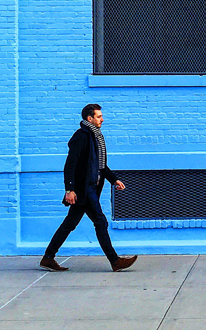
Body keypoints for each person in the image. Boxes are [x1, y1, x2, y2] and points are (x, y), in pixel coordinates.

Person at [40, 104, 137, 273]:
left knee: (69, 224)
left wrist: (114, 179)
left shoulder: (96, 137)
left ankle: (48, 257)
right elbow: (70, 165)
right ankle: (115, 261)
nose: (102, 119)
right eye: (99, 116)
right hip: (84, 189)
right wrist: (69, 189)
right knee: (100, 221)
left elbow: (100, 165)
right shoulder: (82, 137)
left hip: (91, 187)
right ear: (89, 118)